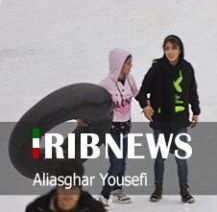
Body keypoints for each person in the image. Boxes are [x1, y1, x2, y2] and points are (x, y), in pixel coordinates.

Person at [135, 34, 199, 204]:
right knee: (159, 156)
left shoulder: (187, 68)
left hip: (179, 120)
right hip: (161, 121)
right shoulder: (157, 67)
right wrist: (145, 106)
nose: (170, 52)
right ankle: (158, 189)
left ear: (180, 49)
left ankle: (184, 190)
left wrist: (196, 111)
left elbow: (192, 92)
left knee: (181, 157)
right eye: (167, 48)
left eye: (174, 48)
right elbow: (142, 92)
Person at [96, 49, 139, 206]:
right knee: (116, 163)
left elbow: (137, 93)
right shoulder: (105, 84)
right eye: (128, 63)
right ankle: (103, 196)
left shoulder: (129, 79)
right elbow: (94, 104)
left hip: (126, 128)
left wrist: (148, 105)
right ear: (118, 64)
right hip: (111, 130)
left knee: (123, 162)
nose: (130, 66)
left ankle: (117, 191)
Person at [26, 161, 105, 212]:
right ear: (57, 188)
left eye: (72, 188)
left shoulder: (95, 209)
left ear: (79, 189)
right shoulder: (36, 209)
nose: (68, 194)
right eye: (63, 187)